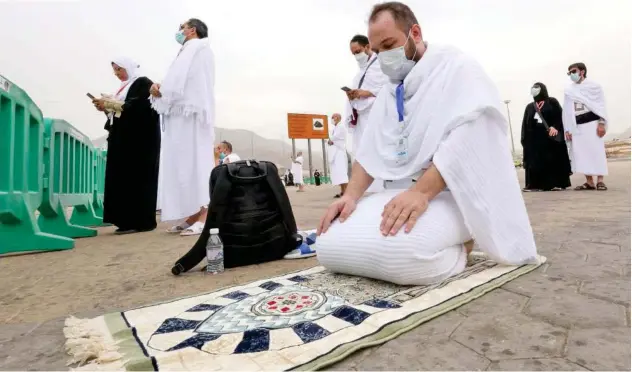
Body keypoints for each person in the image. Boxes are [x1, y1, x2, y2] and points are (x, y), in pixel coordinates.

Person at [316, 2, 538, 286]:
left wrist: (421, 192)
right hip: (400, 193)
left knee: (406, 254)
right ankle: (432, 234)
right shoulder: (391, 89)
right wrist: (350, 196)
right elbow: (370, 149)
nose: (384, 57)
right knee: (328, 242)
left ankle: (463, 244)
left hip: (452, 192)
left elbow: (468, 142)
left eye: (389, 44)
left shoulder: (458, 69)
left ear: (415, 33)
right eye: (377, 50)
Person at [150, 19, 215, 237]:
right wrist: (161, 87)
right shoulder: (187, 50)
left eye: (182, 27)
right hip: (180, 115)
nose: (179, 31)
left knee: (197, 161)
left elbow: (189, 82)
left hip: (191, 114)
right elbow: (176, 79)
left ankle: (206, 214)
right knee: (183, 164)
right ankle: (194, 213)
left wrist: (162, 90)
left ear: (192, 30)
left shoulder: (197, 47)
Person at [95, 57, 160, 234]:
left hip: (139, 142)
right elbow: (122, 111)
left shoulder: (142, 83)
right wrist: (106, 108)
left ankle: (139, 221)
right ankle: (124, 220)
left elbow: (138, 107)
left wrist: (108, 103)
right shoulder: (123, 88)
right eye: (115, 71)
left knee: (137, 178)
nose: (117, 74)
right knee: (122, 178)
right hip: (122, 139)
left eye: (119, 69)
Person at [345, 34, 388, 193]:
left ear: (367, 47)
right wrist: (353, 94)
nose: (356, 56)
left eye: (357, 51)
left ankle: (376, 189)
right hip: (361, 116)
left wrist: (366, 92)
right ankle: (363, 189)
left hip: (374, 115)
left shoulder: (380, 65)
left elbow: (388, 87)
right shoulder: (361, 70)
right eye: (353, 53)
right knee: (360, 151)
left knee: (372, 150)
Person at [562, 62, 609, 191]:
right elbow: (567, 111)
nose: (571, 74)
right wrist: (568, 128)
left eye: (573, 71)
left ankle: (600, 181)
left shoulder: (594, 86)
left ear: (582, 71)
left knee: (596, 151)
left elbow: (601, 106)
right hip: (577, 125)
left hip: (593, 123)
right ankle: (589, 182)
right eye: (569, 72)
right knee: (582, 153)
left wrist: (601, 123)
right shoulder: (569, 90)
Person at [521, 82, 572, 191]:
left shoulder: (552, 102)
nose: (534, 89)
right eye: (533, 87)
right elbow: (525, 124)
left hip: (550, 138)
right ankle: (534, 185)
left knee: (552, 159)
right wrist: (525, 139)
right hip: (534, 140)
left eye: (537, 87)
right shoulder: (530, 107)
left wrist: (555, 127)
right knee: (535, 161)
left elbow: (560, 116)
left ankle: (555, 183)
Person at [328, 113, 349, 197]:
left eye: (334, 117)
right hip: (335, 153)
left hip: (340, 152)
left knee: (342, 172)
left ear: (338, 118)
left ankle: (346, 192)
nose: (332, 118)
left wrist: (331, 141)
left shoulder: (341, 127)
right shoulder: (335, 128)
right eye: (332, 117)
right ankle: (342, 191)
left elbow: (334, 138)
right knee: (338, 173)